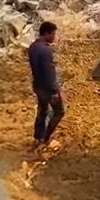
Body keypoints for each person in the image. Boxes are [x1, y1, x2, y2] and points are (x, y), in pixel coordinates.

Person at [27, 21, 64, 151]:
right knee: (59, 112)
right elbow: (49, 72)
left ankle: (37, 138)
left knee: (42, 111)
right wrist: (54, 91)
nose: (54, 37)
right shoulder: (46, 50)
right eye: (53, 34)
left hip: (37, 86)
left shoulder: (33, 47)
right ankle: (46, 138)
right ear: (47, 33)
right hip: (47, 88)